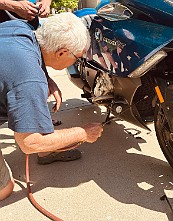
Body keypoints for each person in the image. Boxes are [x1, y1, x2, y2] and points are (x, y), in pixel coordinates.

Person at [0, 12, 104, 200]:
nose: (76, 62)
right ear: (62, 52)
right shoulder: (29, 80)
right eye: (77, 58)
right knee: (5, 189)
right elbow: (30, 143)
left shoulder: (22, 29)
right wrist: (83, 133)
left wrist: (46, 79)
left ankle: (48, 152)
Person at [0, 0, 63, 127]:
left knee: (34, 77)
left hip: (29, 24)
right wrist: (12, 6)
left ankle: (36, 119)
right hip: (5, 28)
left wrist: (46, 3)